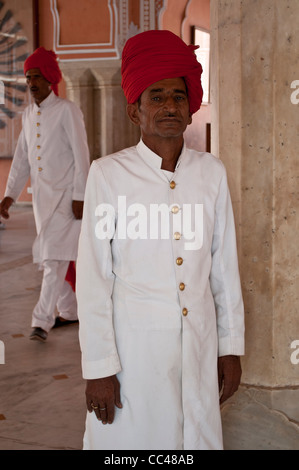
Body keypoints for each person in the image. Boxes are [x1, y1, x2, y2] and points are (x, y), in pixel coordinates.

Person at [76, 30, 245, 450]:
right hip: (135, 355)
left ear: (191, 110)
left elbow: (224, 267)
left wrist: (229, 347)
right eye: (157, 96)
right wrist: (98, 367)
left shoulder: (212, 173)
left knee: (194, 440)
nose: (170, 105)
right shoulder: (107, 174)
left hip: (200, 345)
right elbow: (94, 278)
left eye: (178, 96)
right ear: (135, 112)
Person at [0, 47, 90, 342]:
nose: (32, 82)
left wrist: (80, 195)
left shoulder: (67, 110)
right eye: (28, 77)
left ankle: (41, 321)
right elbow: (21, 160)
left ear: (50, 78)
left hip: (67, 199)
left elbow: (82, 155)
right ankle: (71, 310)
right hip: (41, 200)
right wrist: (9, 196)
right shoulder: (28, 115)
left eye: (37, 76)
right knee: (56, 257)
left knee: (53, 259)